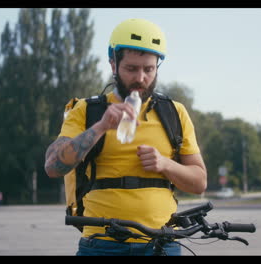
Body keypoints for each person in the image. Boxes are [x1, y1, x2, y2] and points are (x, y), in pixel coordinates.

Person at [44, 18, 207, 256]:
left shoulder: (174, 112)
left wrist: (165, 164)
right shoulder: (86, 111)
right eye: (131, 69)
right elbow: (52, 166)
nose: (140, 78)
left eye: (149, 69)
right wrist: (100, 127)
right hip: (102, 243)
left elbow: (199, 181)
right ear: (113, 64)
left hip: (162, 242)